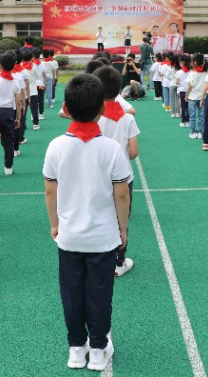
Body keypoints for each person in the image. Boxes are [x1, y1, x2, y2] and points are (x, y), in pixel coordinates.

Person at [43, 73, 132, 371]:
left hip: (69, 237)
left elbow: (50, 188)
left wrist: (54, 223)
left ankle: (76, 349)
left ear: (66, 108)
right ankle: (97, 349)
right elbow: (121, 194)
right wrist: (123, 228)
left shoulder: (56, 146)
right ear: (103, 109)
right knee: (100, 293)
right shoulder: (111, 149)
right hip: (103, 237)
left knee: (72, 294)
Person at [94, 66, 140, 277]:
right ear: (119, 89)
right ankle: (118, 262)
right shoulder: (128, 118)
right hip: (122, 176)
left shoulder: (92, 116)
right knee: (121, 219)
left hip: (96, 175)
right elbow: (133, 153)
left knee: (99, 215)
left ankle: (97, 258)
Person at [0, 52, 21, 176]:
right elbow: (18, 103)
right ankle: (8, 167)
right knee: (9, 141)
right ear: (13, 66)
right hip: (8, 112)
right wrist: (18, 117)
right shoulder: (15, 82)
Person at [175, 54, 191, 127]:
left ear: (182, 63)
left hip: (181, 91)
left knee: (182, 107)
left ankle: (183, 121)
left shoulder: (178, 72)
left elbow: (177, 82)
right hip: (189, 92)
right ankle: (188, 121)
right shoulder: (191, 72)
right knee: (188, 107)